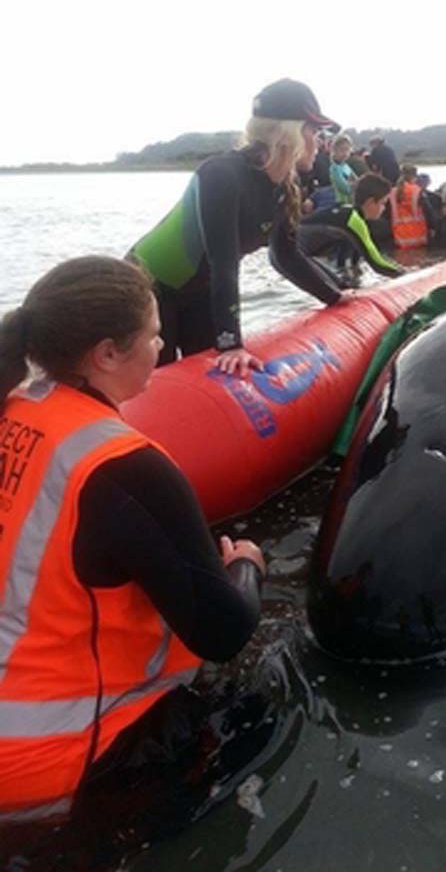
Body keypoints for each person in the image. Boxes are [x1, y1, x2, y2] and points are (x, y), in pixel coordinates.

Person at [0, 256, 265, 821]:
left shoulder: (15, 407)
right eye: (153, 334)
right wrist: (246, 567)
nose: (161, 344)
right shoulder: (125, 467)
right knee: (259, 711)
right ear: (107, 354)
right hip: (48, 762)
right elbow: (222, 631)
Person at [129, 79, 346, 377]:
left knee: (207, 377)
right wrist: (231, 343)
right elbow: (224, 262)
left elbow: (285, 256)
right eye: (314, 132)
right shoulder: (222, 174)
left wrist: (337, 296)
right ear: (290, 134)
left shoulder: (284, 187)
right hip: (149, 288)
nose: (320, 143)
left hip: (203, 289)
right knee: (158, 377)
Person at [298, 173, 404, 282]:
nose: (384, 208)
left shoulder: (348, 212)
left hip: (297, 247)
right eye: (383, 203)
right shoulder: (353, 220)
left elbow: (354, 258)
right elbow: (376, 262)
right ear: (371, 202)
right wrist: (404, 275)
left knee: (342, 282)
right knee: (338, 286)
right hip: (295, 249)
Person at [389, 164, 436, 249]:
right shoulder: (417, 191)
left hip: (399, 238)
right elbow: (428, 212)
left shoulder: (392, 192)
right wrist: (434, 227)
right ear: (415, 176)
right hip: (418, 238)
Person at [329, 133, 358, 205]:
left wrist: (353, 184)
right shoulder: (335, 168)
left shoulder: (346, 166)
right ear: (335, 150)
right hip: (341, 203)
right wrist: (353, 184)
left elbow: (357, 181)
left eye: (347, 150)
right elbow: (345, 188)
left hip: (350, 202)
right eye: (342, 150)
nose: (345, 153)